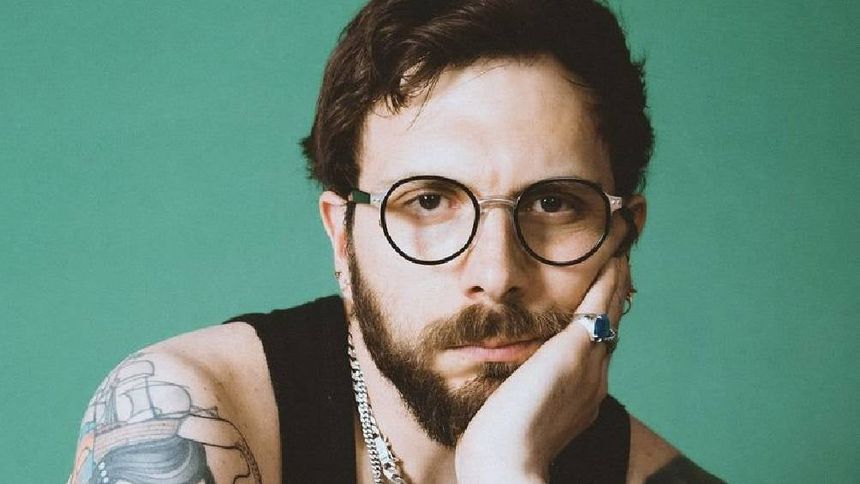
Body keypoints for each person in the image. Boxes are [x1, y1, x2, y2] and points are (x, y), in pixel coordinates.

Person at [69, 0, 723, 482]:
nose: (497, 273)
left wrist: (503, 467)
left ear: (623, 238)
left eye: (553, 203)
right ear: (343, 238)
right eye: (429, 201)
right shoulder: (182, 416)